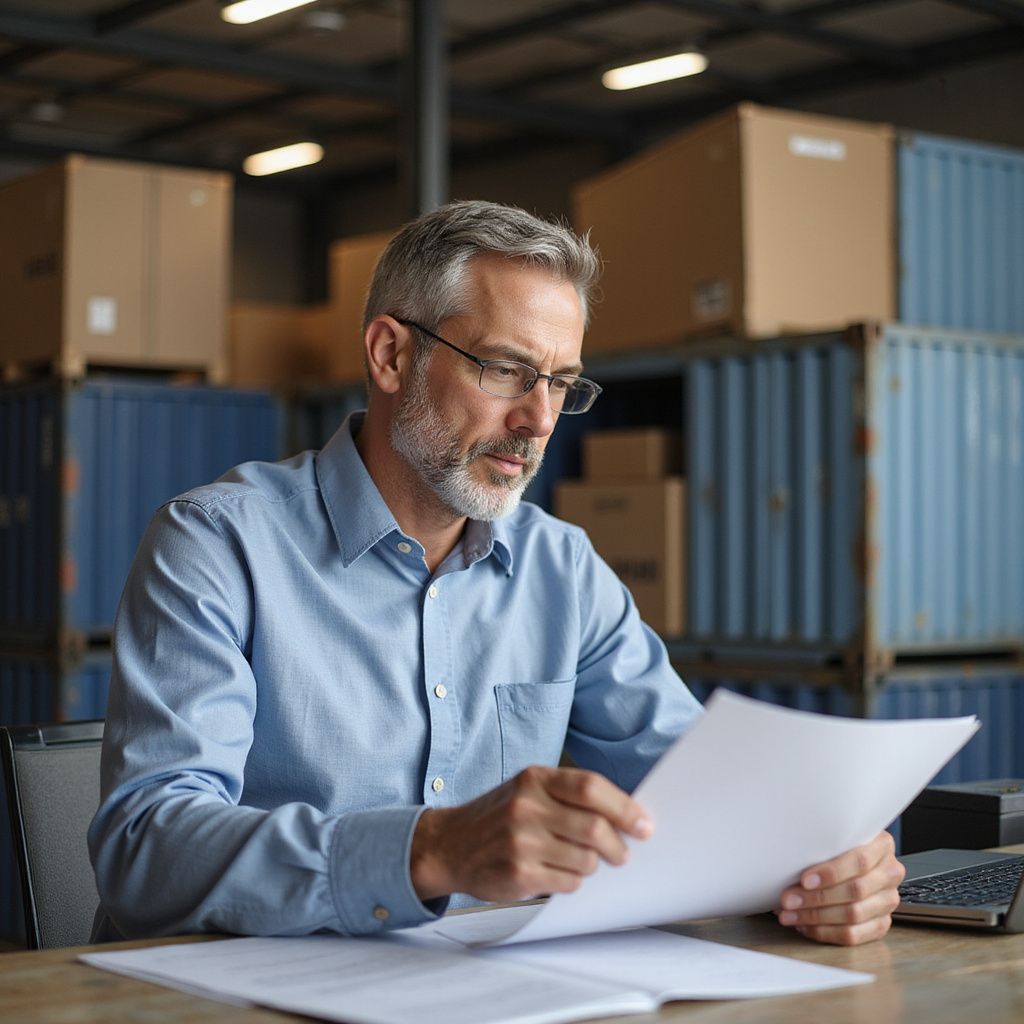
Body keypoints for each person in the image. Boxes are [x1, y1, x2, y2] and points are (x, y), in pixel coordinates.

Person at [89, 200, 904, 947]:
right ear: (389, 354)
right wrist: (430, 850)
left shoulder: (563, 570)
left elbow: (696, 792)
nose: (539, 420)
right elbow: (146, 847)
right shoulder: (217, 545)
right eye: (507, 370)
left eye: (560, 383)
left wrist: (827, 862)